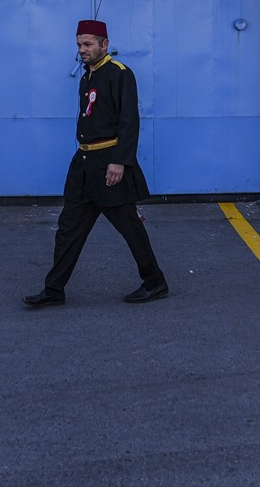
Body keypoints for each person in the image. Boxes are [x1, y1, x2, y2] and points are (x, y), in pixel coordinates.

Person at [23, 19, 167, 307]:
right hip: (84, 164)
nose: (82, 49)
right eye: (79, 44)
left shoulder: (119, 74)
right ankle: (54, 290)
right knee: (68, 229)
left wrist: (120, 162)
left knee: (130, 228)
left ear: (105, 44)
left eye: (88, 44)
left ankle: (154, 282)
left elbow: (129, 121)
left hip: (109, 165)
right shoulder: (86, 76)